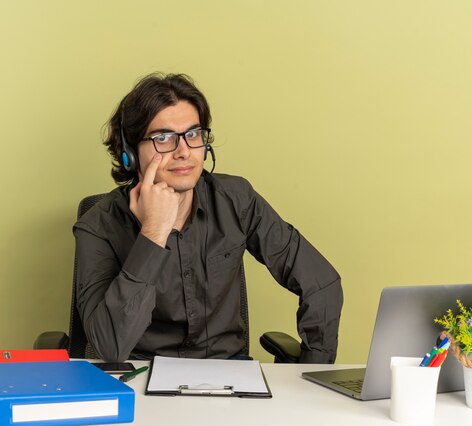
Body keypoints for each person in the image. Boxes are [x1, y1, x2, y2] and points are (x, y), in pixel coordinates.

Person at [74, 73, 342, 363]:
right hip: (141, 374)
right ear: (128, 152)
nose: (184, 152)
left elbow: (321, 282)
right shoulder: (98, 225)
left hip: (227, 375)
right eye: (162, 138)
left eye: (192, 134)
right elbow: (109, 348)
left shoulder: (236, 200)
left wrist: (311, 371)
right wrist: (153, 233)